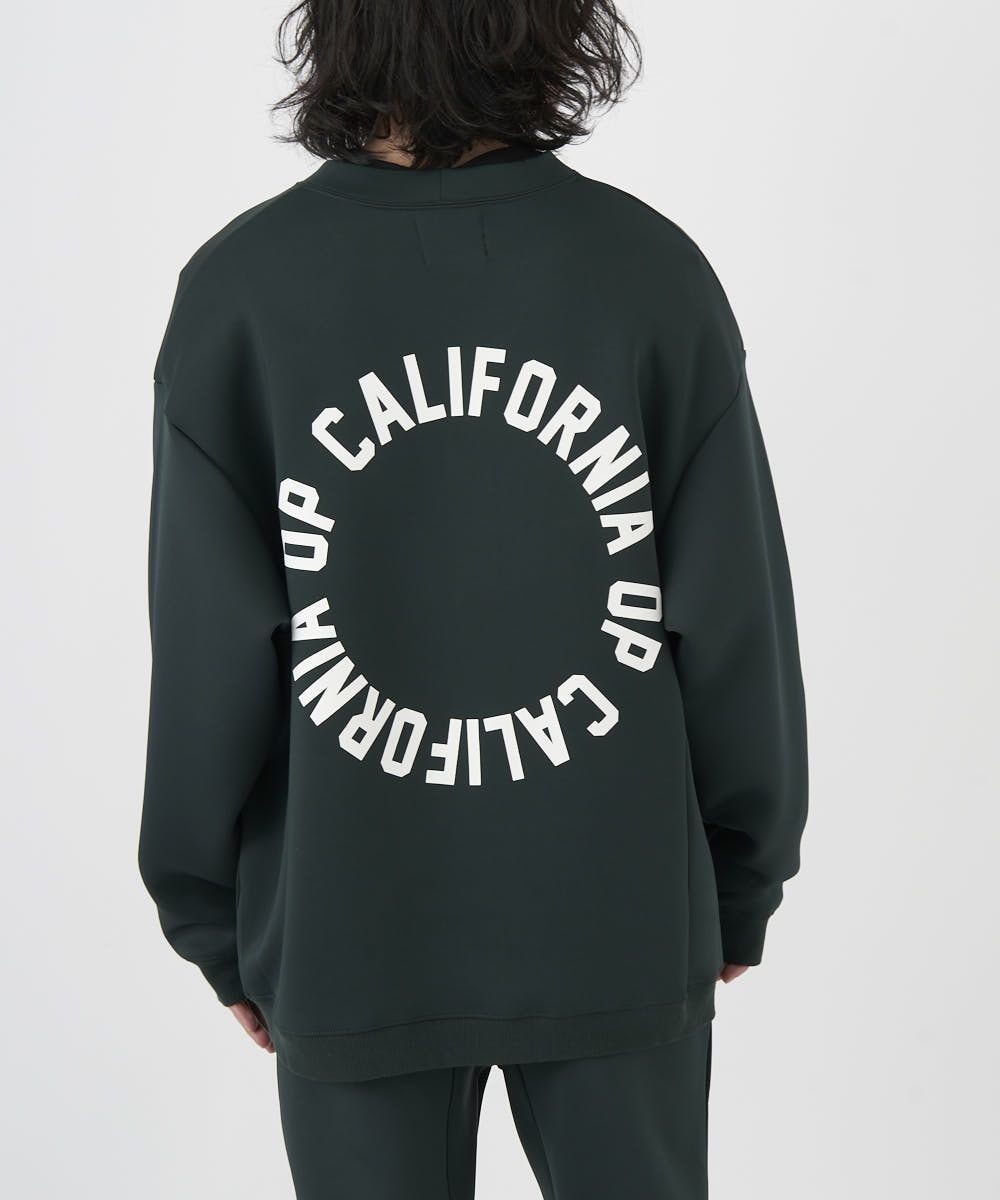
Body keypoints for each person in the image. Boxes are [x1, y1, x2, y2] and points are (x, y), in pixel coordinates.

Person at [138, 2, 808, 1195]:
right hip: (614, 916)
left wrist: (214, 919)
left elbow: (207, 656)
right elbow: (734, 619)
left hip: (349, 926)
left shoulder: (242, 288)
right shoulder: (648, 271)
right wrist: (738, 878)